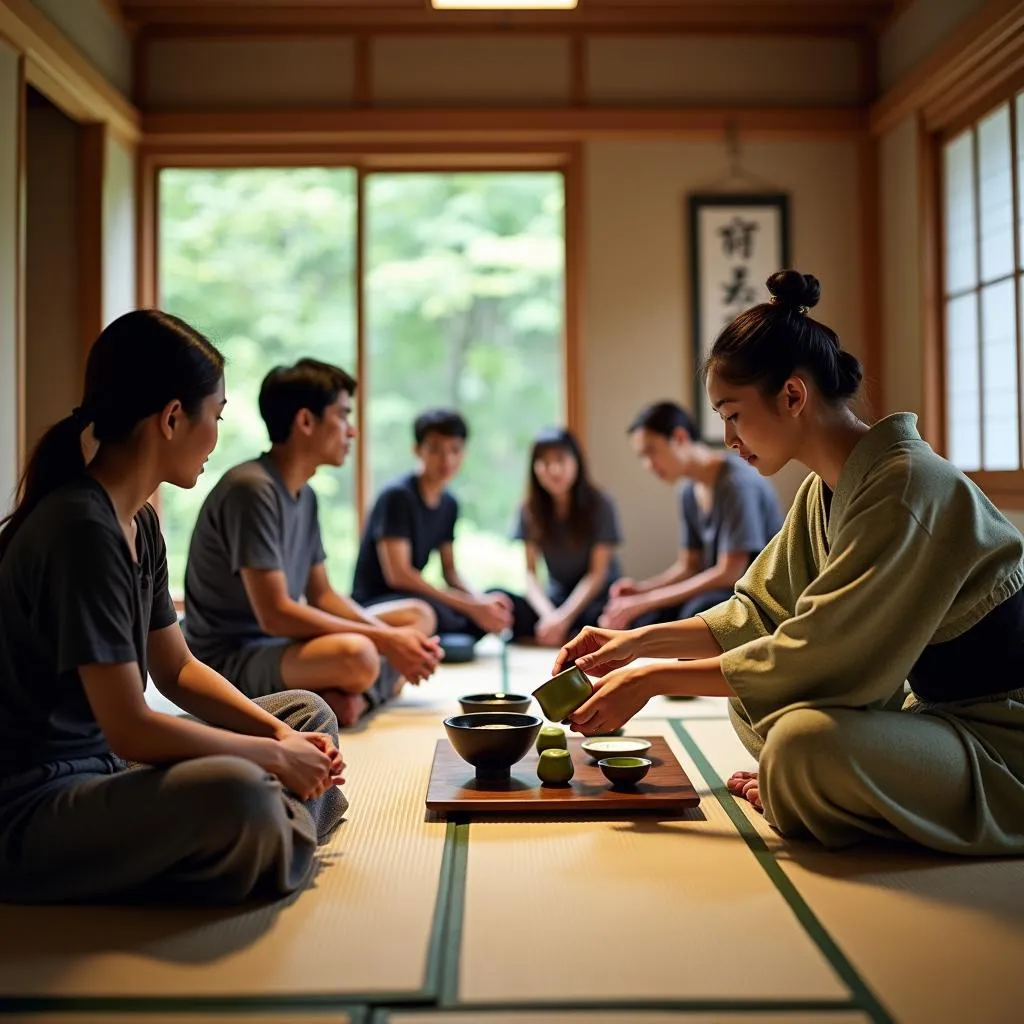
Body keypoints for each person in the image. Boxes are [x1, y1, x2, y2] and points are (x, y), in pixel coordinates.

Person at [553, 270, 1024, 856]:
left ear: (793, 396)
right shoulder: (822, 491)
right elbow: (756, 614)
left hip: (1000, 742)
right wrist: (633, 643)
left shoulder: (906, 486)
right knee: (752, 707)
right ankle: (819, 786)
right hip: (923, 717)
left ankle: (811, 784)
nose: (727, 438)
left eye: (732, 414)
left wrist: (653, 679)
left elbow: (826, 653)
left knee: (801, 744)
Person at [0, 311, 347, 905]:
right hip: (38, 805)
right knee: (242, 793)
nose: (216, 435)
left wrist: (277, 735)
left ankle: (261, 839)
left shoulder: (140, 523)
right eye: (215, 416)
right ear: (171, 418)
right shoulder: (80, 529)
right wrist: (270, 756)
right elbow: (131, 726)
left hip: (106, 770)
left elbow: (178, 671)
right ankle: (271, 831)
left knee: (306, 714)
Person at [183, 359, 442, 730]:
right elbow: (275, 614)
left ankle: (355, 698)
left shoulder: (305, 496)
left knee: (417, 617)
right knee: (361, 655)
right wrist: (386, 642)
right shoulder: (252, 488)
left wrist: (395, 638)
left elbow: (322, 595)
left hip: (279, 645)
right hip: (231, 658)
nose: (351, 431)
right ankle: (358, 693)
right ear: (306, 421)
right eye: (342, 415)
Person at [600, 401, 782, 629]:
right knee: (643, 618)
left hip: (755, 594)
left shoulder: (736, 483)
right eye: (642, 457)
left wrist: (644, 601)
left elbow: (730, 573)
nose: (648, 465)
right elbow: (689, 565)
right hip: (723, 589)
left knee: (694, 611)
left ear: (679, 438)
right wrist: (642, 590)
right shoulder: (688, 491)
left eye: (651, 452)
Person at [351, 409, 513, 641]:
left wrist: (480, 602)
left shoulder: (449, 503)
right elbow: (399, 575)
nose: (446, 459)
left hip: (412, 596)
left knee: (495, 602)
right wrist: (470, 607)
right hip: (380, 600)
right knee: (438, 613)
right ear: (417, 450)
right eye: (435, 449)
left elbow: (450, 571)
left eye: (455, 450)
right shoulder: (397, 496)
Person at [498, 426, 623, 648]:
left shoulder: (600, 504)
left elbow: (597, 574)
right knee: (499, 600)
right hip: (556, 599)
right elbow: (530, 574)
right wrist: (549, 616)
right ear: (534, 468)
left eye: (561, 460)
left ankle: (567, 633)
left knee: (610, 618)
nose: (554, 470)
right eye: (545, 463)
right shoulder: (529, 509)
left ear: (576, 462)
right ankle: (561, 633)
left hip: (595, 600)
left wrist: (563, 618)